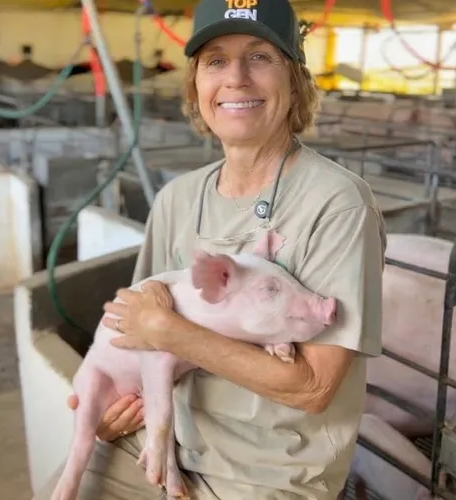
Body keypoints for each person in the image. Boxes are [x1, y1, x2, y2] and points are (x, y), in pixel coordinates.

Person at [36, 0, 386, 496]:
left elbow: (313, 387)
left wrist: (170, 331)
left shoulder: (338, 203)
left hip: (269, 476)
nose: (236, 78)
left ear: (295, 80)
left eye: (260, 56)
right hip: (164, 444)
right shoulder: (176, 199)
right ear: (196, 85)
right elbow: (139, 337)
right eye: (216, 61)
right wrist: (114, 411)